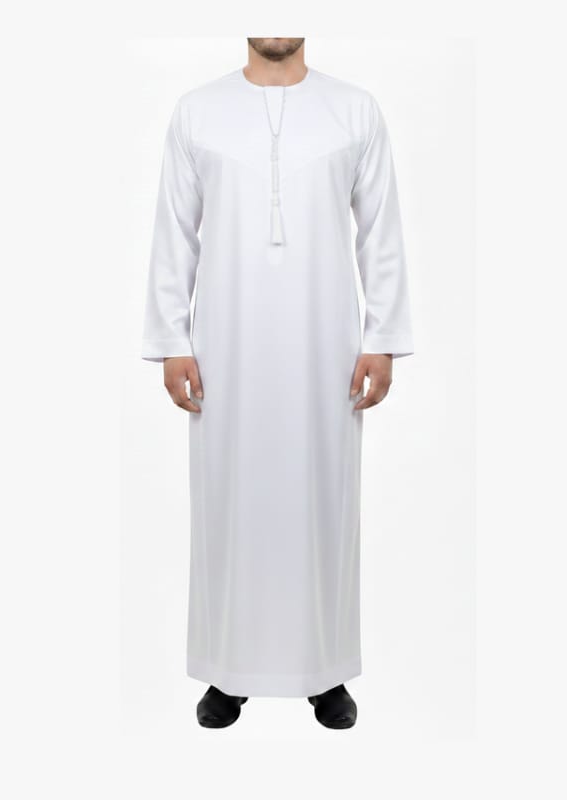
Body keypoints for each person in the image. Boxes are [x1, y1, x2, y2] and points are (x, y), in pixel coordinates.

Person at [142, 37, 414, 729]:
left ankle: (325, 672)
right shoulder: (198, 112)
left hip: (325, 347)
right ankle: (226, 672)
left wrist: (381, 336)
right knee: (227, 502)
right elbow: (175, 231)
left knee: (323, 502)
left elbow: (379, 230)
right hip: (225, 348)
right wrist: (172, 339)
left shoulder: (353, 110)